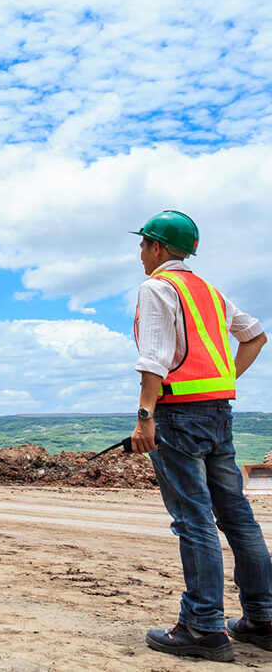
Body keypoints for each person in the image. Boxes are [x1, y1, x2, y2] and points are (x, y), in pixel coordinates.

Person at [129, 210, 272, 661]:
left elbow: (154, 358)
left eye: (143, 245)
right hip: (218, 414)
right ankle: (263, 619)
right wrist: (223, 380)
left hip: (177, 416)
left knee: (194, 519)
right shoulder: (209, 291)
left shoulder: (157, 287)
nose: (140, 253)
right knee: (237, 516)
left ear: (157, 247)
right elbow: (255, 336)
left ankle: (203, 627)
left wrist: (145, 416)